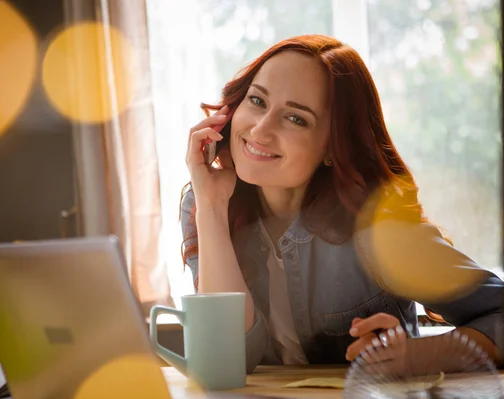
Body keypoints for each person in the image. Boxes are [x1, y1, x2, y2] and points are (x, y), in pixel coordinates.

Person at [179, 34, 503, 373]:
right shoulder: (205, 201)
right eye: (258, 101)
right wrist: (212, 207)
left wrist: (413, 356)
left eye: (296, 118)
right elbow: (228, 357)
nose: (260, 130)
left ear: (333, 146)